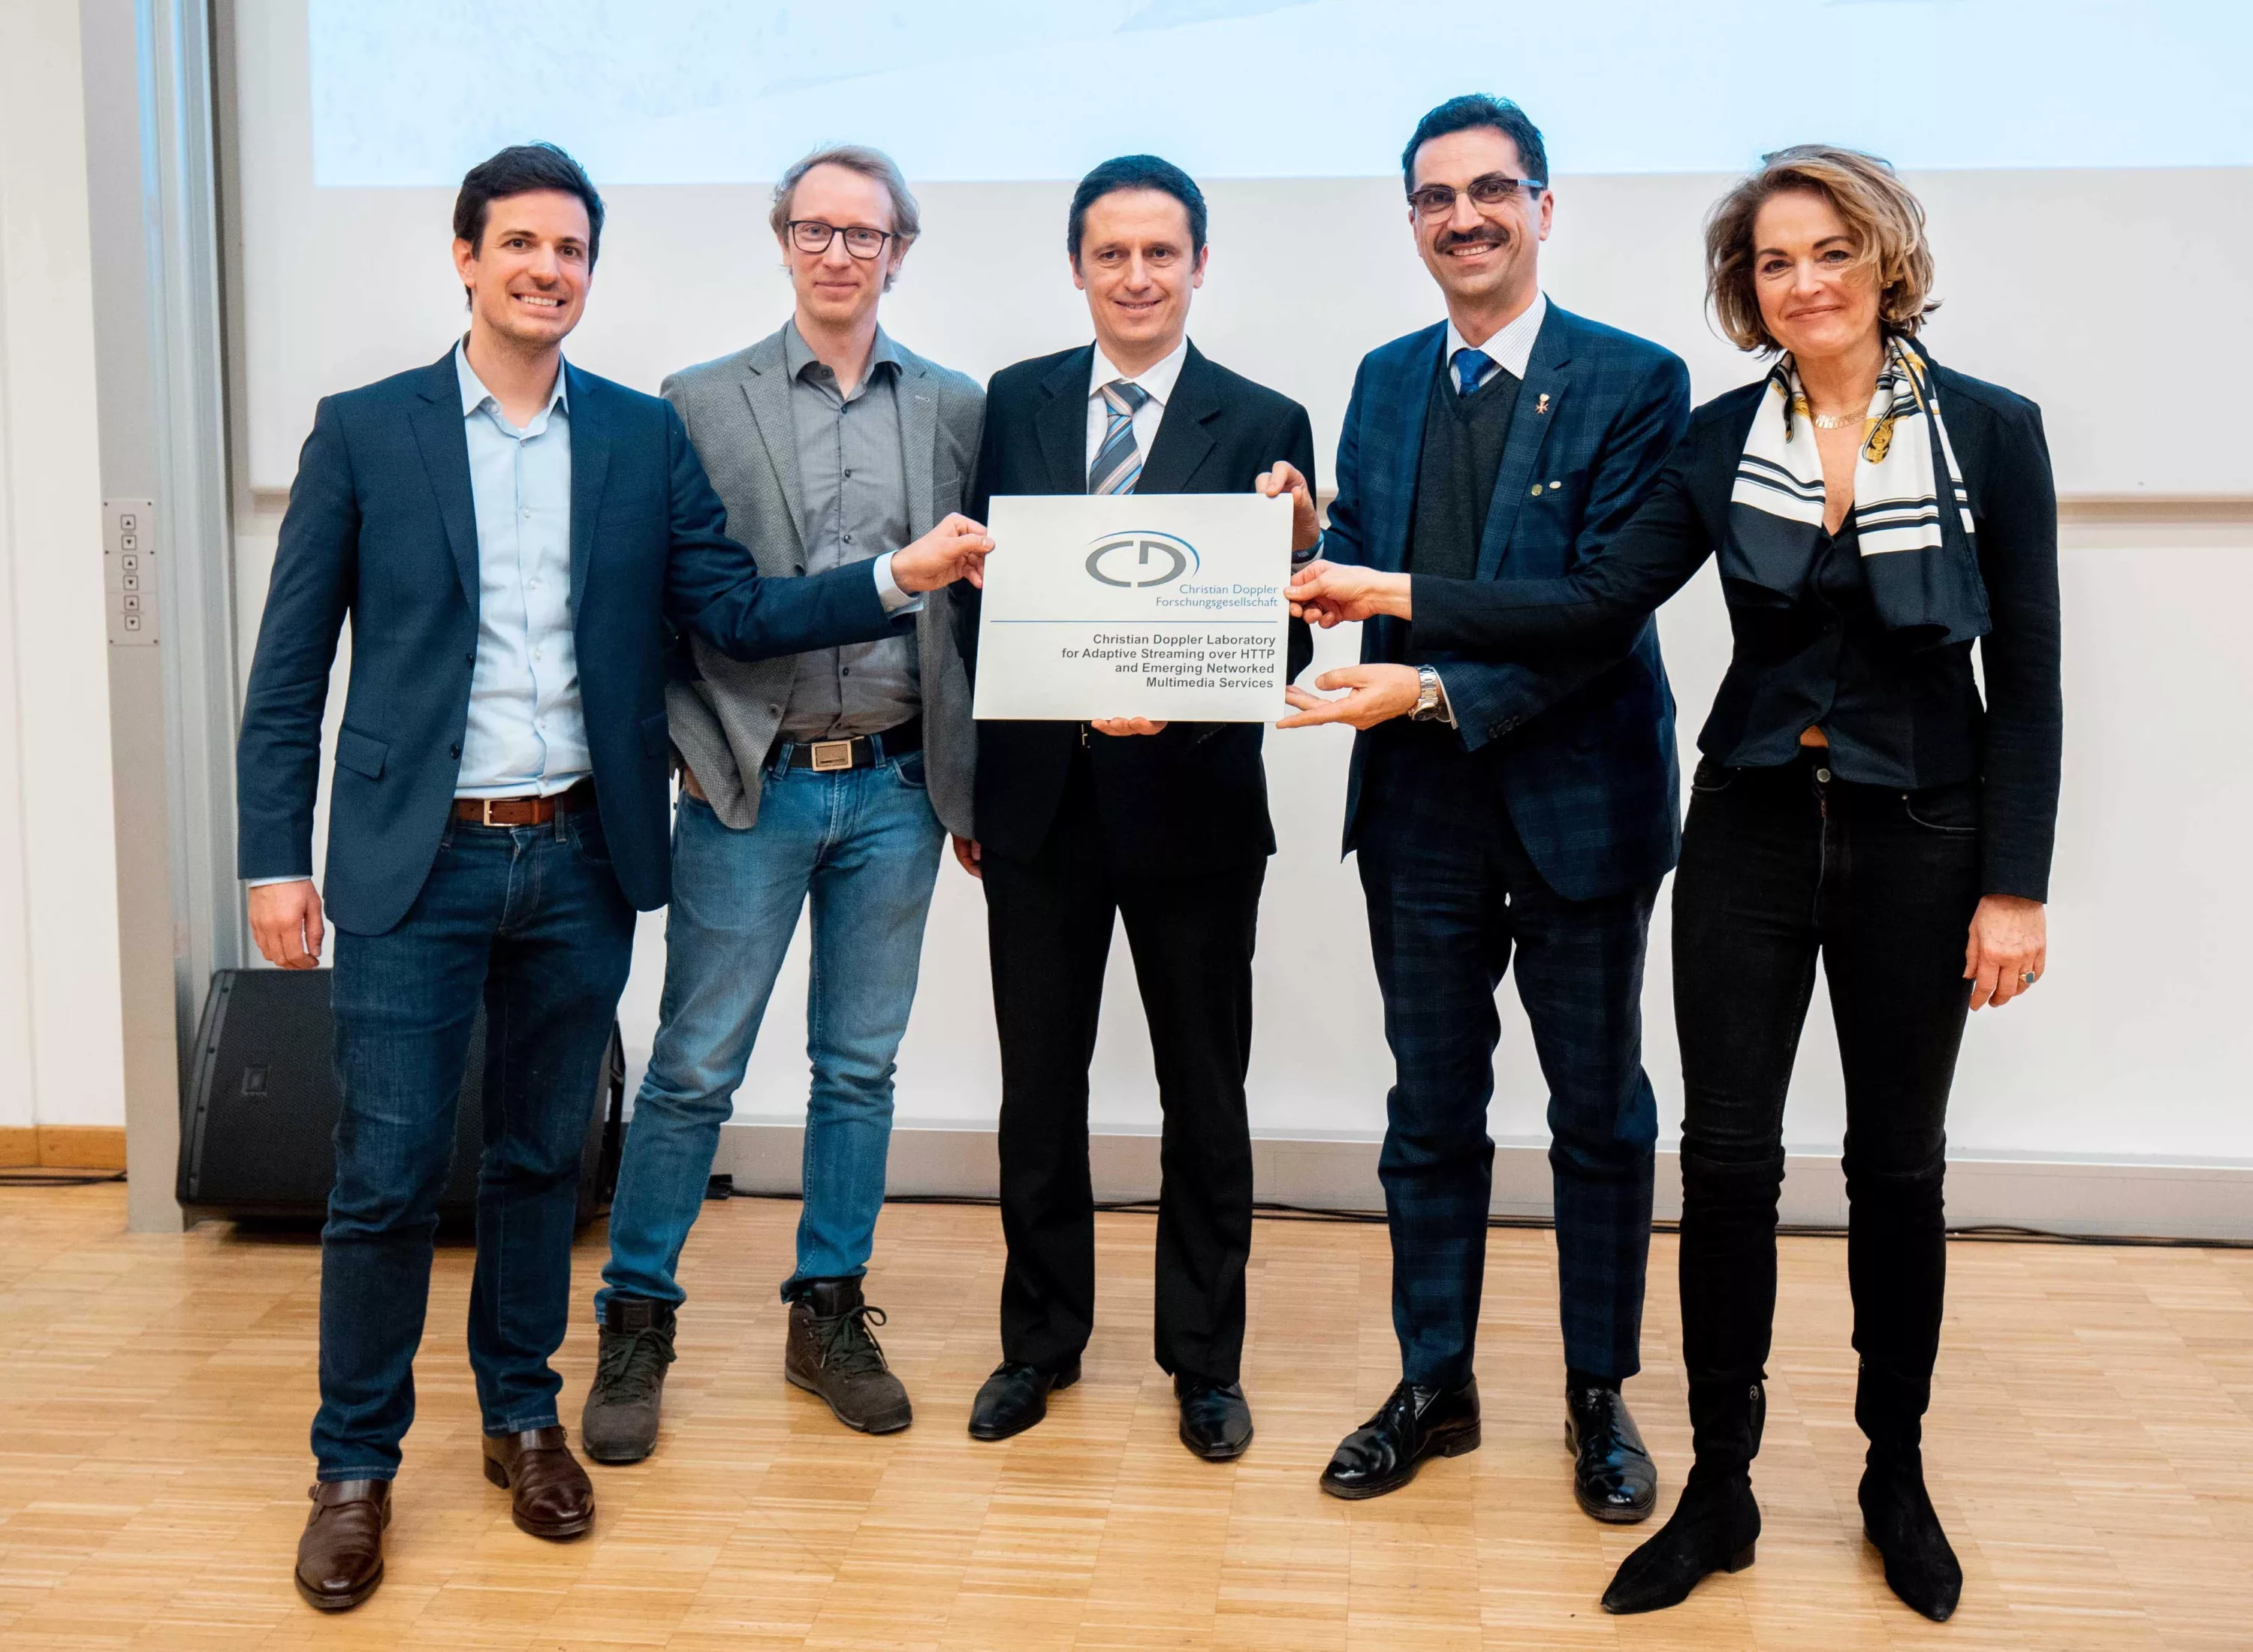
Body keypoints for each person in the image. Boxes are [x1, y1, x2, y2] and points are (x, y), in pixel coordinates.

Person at [1286, 146, 2058, 1622]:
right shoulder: (1716, 443)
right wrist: (1386, 593)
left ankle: (1893, 1467)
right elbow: (1588, 601)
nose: (1805, 282)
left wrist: (2013, 884)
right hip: (1751, 832)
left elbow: (2028, 680)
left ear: (1886, 258)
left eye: (1831, 252)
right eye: (1774, 263)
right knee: (1725, 1162)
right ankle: (1722, 1480)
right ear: (1745, 290)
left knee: (1899, 1162)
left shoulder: (1991, 434)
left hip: (1925, 834)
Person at [237, 143, 990, 1614]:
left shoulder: (640, 441)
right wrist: (277, 855)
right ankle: (355, 1467)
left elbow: (734, 610)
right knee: (386, 1173)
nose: (546, 270)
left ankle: (525, 1419)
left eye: (571, 249)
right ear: (466, 258)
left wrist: (895, 581)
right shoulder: (366, 432)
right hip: (414, 861)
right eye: (519, 244)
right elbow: (287, 678)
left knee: (538, 1161)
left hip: (581, 852)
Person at [1261, 96, 1689, 1514]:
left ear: (1546, 209)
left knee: (1598, 1117)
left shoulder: (1638, 380)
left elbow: (1593, 610)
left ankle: (1599, 1395)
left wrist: (1422, 674)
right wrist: (1317, 547)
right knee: (1429, 1112)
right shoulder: (1385, 380)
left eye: (1494, 191)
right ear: (1412, 223)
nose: (1466, 217)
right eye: (1438, 197)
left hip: (1579, 808)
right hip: (1419, 820)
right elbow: (1374, 561)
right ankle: (1434, 1380)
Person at [578, 146, 985, 1461]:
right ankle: (636, 1317)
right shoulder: (694, 402)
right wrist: (681, 745)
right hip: (750, 791)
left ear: (900, 253)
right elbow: (657, 600)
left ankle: (829, 1309)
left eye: (864, 235)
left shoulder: (957, 409)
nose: (837, 253)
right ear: (783, 241)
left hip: (896, 791)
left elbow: (993, 603)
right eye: (814, 229)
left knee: (857, 1069)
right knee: (694, 1070)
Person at [951, 155, 1317, 1461]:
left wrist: (1199, 683)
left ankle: (1203, 1363)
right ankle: (1039, 1344)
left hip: (1197, 810)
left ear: (1201, 265)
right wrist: (980, 770)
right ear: (1077, 268)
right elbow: (977, 601)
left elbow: (1281, 646)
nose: (1138, 276)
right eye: (1113, 253)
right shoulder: (1018, 402)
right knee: (1037, 1093)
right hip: (1041, 805)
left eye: (1163, 253)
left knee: (1202, 1094)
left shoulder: (1266, 420)